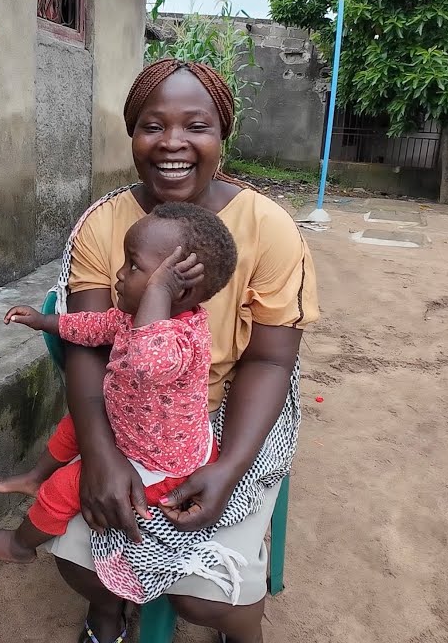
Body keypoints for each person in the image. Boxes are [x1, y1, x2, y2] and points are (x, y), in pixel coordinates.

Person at [41, 59, 320, 643]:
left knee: (206, 599)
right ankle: (107, 611)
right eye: (152, 125)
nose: (172, 143)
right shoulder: (102, 224)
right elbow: (89, 347)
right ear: (132, 133)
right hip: (128, 411)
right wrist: (100, 454)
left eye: (196, 126)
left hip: (230, 411)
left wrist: (228, 467)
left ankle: (237, 614)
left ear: (222, 135)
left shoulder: (267, 227)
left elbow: (270, 360)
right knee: (77, 561)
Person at [0, 203, 237, 589]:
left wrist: (158, 290)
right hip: (134, 426)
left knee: (66, 488)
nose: (120, 273)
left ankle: (20, 544)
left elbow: (146, 361)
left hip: (161, 463)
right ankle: (35, 477)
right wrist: (45, 321)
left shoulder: (182, 338)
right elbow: (94, 326)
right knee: (72, 427)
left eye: (134, 266)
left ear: (179, 290)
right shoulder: (134, 317)